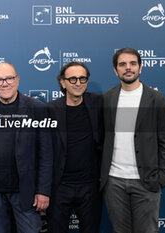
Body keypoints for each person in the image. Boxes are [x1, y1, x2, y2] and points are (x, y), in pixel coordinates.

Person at [100, 47, 165, 233]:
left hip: (146, 182)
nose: (128, 68)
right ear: (115, 70)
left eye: (133, 63)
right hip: (114, 182)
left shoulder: (156, 99)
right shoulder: (108, 98)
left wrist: (161, 178)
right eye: (122, 64)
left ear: (140, 68)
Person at [0, 62, 53, 233]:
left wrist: (43, 191)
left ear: (17, 80)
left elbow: (46, 154)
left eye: (9, 78)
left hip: (25, 191)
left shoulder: (36, 108)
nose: (4, 83)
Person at [46, 62, 103, 233]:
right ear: (63, 83)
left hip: (90, 186)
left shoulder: (99, 104)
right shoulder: (50, 109)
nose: (78, 83)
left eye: (82, 78)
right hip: (60, 185)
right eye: (72, 79)